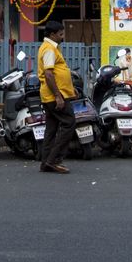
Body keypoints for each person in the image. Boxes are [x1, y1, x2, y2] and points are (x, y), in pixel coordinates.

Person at [38, 20, 76, 174]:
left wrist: (71, 90)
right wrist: (58, 96)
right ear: (52, 34)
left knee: (51, 129)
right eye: (60, 34)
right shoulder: (49, 49)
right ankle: (54, 160)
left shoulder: (52, 48)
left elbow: (59, 73)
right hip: (54, 97)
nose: (62, 36)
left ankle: (46, 162)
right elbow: (48, 74)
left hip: (55, 95)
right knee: (69, 123)